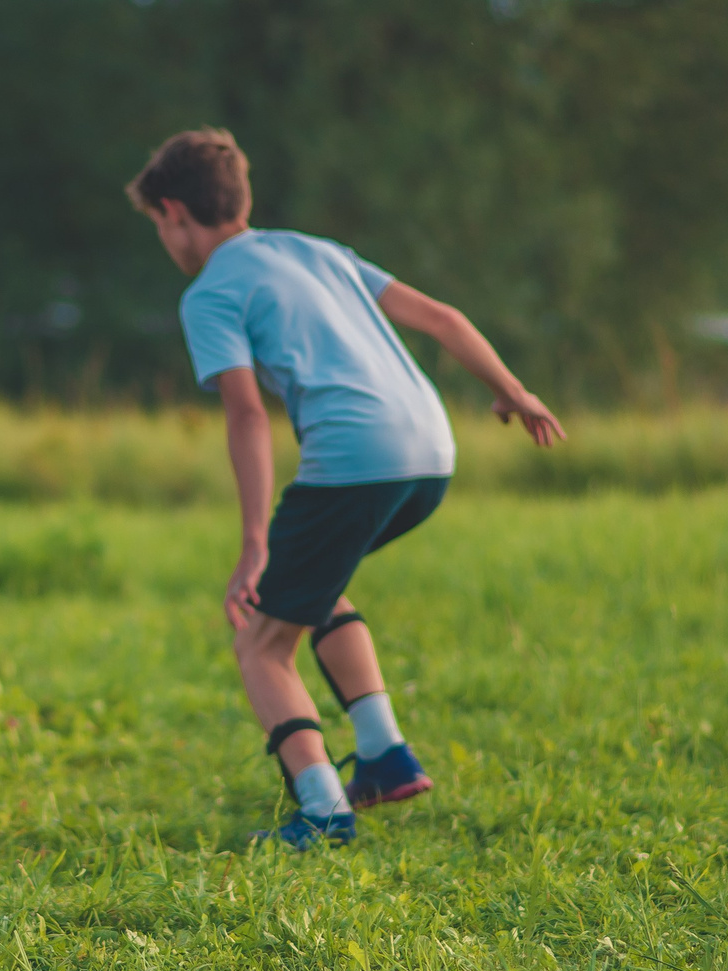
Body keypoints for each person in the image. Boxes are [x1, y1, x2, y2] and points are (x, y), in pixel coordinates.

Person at [126, 128, 566, 850]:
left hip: (357, 459)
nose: (164, 242)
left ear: (174, 211)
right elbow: (442, 318)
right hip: (429, 452)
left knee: (262, 643)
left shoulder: (210, 293)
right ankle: (385, 757)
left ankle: (323, 811)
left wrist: (253, 543)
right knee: (316, 585)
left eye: (157, 227)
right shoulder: (316, 249)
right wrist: (512, 390)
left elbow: (246, 414)